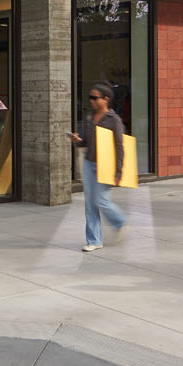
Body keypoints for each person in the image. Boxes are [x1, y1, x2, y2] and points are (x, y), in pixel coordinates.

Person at [70, 82, 127, 251]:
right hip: (89, 164)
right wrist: (76, 141)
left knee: (101, 200)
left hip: (105, 166)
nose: (91, 101)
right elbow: (87, 141)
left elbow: (119, 147)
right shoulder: (90, 117)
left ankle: (120, 222)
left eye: (95, 98)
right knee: (90, 204)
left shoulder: (114, 120)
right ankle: (94, 241)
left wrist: (118, 171)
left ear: (106, 99)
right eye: (90, 97)